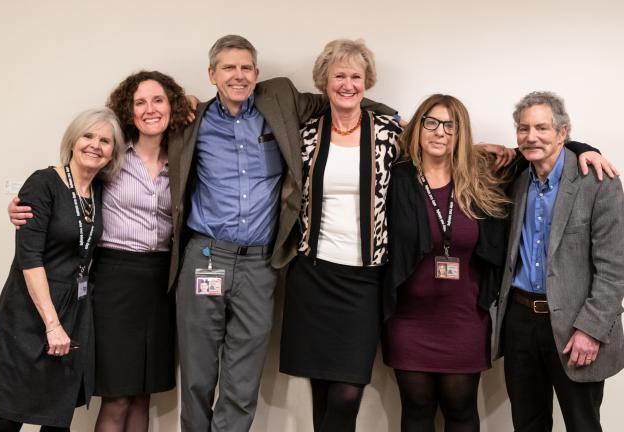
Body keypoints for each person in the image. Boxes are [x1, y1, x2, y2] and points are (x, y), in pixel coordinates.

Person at [167, 35, 396, 432]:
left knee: (243, 376)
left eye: (246, 68)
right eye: (228, 68)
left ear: (257, 74)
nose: (238, 75)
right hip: (206, 256)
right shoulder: (192, 121)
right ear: (211, 74)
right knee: (198, 373)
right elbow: (140, 135)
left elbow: (342, 101)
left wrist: (412, 123)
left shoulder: (281, 103)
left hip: (261, 262)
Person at [382, 94, 614, 432]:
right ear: (417, 127)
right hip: (421, 318)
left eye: (451, 125)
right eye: (430, 122)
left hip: (476, 317)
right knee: (421, 407)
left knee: (468, 406)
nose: (440, 131)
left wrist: (584, 148)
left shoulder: (488, 178)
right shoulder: (396, 177)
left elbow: (613, 266)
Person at [7, 71, 192, 432]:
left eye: (158, 101)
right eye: (140, 102)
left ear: (173, 106)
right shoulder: (111, 159)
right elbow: (66, 190)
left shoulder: (183, 161)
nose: (150, 109)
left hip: (161, 284)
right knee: (118, 394)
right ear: (128, 110)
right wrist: (19, 208)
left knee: (144, 393)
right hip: (114, 281)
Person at [278, 39, 402, 432]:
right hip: (313, 274)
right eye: (339, 76)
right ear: (324, 81)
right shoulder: (306, 134)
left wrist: (573, 145)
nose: (347, 84)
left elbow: (443, 149)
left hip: (364, 278)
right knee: (322, 390)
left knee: (347, 393)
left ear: (367, 83)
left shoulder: (389, 132)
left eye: (355, 76)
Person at [493, 91, 624, 432]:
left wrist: (591, 330)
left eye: (541, 127)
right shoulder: (516, 180)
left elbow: (615, 266)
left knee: (583, 425)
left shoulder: (598, 182)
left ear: (563, 132)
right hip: (520, 322)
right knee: (528, 424)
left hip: (576, 329)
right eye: (523, 129)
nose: (531, 136)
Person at [0, 108, 124, 431]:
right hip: (29, 314)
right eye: (88, 136)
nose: (95, 145)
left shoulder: (100, 192)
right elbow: (29, 258)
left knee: (58, 416)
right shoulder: (43, 183)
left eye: (105, 140)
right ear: (73, 141)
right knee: (10, 413)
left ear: (113, 152)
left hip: (74, 313)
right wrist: (51, 324)